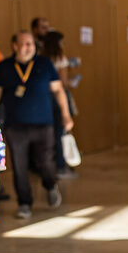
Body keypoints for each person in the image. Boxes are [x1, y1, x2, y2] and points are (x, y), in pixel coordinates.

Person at [0, 30, 73, 218]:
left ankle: (50, 185)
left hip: (43, 123)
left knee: (46, 162)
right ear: (15, 46)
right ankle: (24, 203)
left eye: (31, 44)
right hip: (15, 126)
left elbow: (59, 90)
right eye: (25, 44)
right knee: (19, 166)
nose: (29, 47)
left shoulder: (44, 64)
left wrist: (66, 115)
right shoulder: (4, 67)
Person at [41, 31, 77, 177]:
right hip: (57, 97)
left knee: (49, 133)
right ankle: (61, 165)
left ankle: (49, 165)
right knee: (60, 133)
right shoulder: (60, 58)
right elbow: (62, 83)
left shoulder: (41, 58)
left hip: (44, 98)